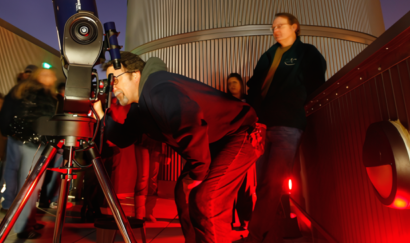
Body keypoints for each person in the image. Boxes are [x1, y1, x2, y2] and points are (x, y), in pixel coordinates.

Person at [93, 52, 263, 243]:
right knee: (184, 195)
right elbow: (122, 138)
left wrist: (197, 174)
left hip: (241, 132)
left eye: (115, 79)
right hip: (214, 141)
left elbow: (191, 123)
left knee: (207, 199)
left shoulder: (159, 87)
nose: (112, 86)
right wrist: (100, 114)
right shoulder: (139, 107)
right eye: (109, 81)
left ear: (136, 75)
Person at [244, 13, 326, 243]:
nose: (276, 30)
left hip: (288, 125)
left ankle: (255, 237)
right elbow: (253, 85)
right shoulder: (269, 54)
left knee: (272, 183)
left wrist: (295, 104)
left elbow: (316, 83)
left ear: (294, 27)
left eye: (280, 26)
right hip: (262, 126)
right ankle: (271, 235)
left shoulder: (307, 53)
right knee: (262, 185)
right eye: (273, 27)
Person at [10, 67, 57, 239]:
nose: (49, 77)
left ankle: (28, 221)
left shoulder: (43, 93)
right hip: (33, 143)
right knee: (29, 185)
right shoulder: (35, 93)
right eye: (45, 74)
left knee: (33, 186)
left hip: (38, 142)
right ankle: (22, 226)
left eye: (50, 74)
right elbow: (31, 118)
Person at [0, 65, 37, 213]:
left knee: (11, 168)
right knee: (27, 171)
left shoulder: (15, 90)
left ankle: (9, 202)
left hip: (14, 134)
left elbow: (5, 112)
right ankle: (22, 204)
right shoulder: (37, 92)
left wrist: (5, 130)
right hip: (31, 137)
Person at [226, 73, 255, 231]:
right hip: (230, 144)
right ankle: (228, 220)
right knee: (228, 186)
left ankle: (245, 220)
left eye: (235, 82)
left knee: (245, 186)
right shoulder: (225, 101)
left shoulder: (249, 101)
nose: (232, 85)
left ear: (241, 84)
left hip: (246, 145)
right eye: (230, 83)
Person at [134, 135, 167, 222]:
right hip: (143, 140)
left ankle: (147, 212)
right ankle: (140, 214)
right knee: (144, 177)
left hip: (155, 143)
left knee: (151, 179)